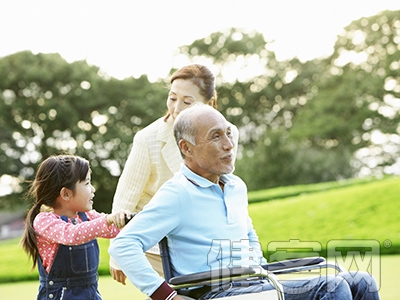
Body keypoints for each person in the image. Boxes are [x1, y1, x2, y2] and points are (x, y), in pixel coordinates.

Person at [109, 104, 380, 300]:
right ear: (186, 148)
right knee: (331, 288)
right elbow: (124, 245)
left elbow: (248, 233)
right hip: (214, 292)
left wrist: (260, 270)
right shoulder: (177, 193)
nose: (229, 144)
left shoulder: (236, 186)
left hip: (252, 283)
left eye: (228, 133)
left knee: (362, 281)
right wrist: (167, 297)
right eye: (216, 136)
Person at [108, 64, 239, 284]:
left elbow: (223, 186)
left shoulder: (229, 132)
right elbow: (124, 199)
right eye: (172, 98)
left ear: (209, 103)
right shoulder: (147, 138)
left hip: (203, 236)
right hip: (156, 238)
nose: (177, 108)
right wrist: (117, 256)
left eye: (187, 102)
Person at [20, 154, 132, 300]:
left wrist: (126, 221)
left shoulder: (87, 216)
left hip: (91, 295)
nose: (93, 189)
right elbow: (72, 234)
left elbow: (113, 229)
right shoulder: (44, 221)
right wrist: (108, 219)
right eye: (87, 183)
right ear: (66, 193)